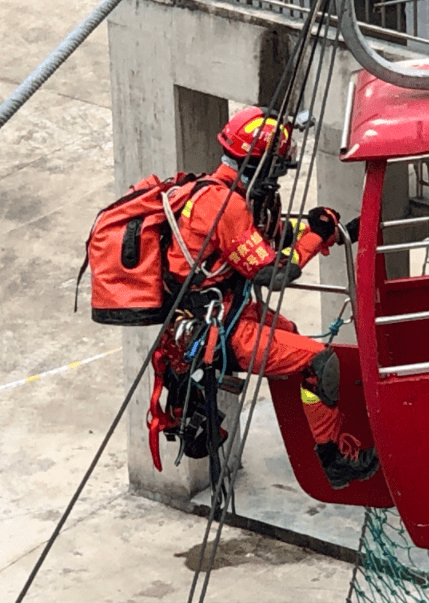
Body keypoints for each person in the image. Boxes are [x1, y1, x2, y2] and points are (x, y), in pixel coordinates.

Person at [162, 106, 378, 490]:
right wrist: (314, 236)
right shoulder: (223, 204)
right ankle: (332, 458)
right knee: (318, 360)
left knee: (292, 333)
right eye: (278, 168)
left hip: (231, 314)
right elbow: (275, 271)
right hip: (217, 330)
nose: (280, 178)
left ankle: (317, 436)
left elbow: (276, 236)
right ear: (260, 162)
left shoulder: (240, 198)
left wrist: (330, 230)